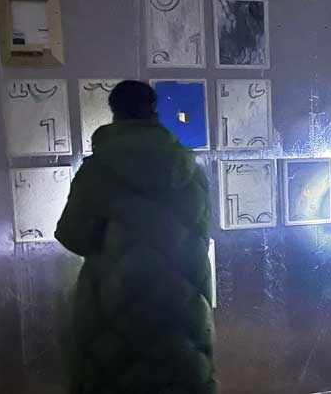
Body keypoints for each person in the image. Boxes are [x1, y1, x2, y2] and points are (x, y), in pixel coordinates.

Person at [56, 80, 215, 394]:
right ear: (154, 110)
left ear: (114, 113)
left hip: (114, 316)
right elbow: (201, 234)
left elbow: (73, 237)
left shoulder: (96, 170)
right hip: (178, 312)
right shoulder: (189, 170)